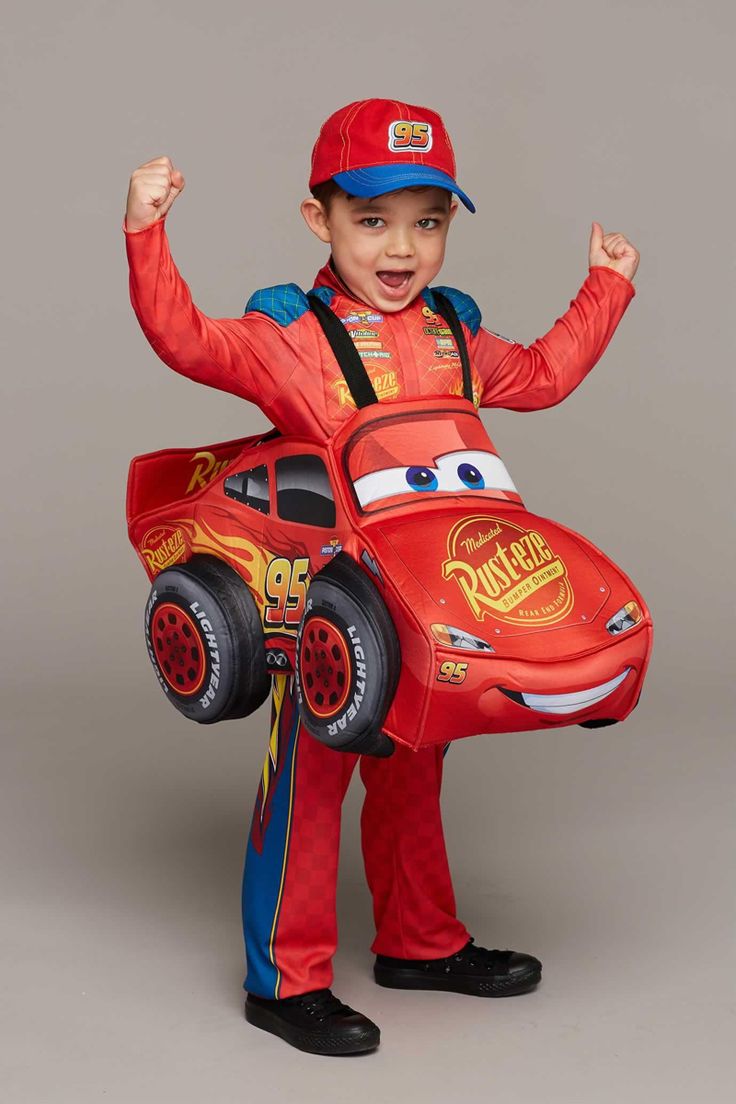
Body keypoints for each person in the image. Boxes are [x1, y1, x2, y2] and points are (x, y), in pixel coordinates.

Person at [123, 98, 639, 1056]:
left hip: (426, 609)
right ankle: (286, 978)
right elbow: (188, 340)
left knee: (416, 772)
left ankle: (420, 943)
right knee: (310, 782)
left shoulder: (451, 332)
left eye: (427, 222)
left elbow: (542, 374)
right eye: (372, 220)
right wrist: (146, 232)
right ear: (319, 220)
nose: (401, 249)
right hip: (327, 611)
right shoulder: (297, 338)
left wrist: (605, 288)